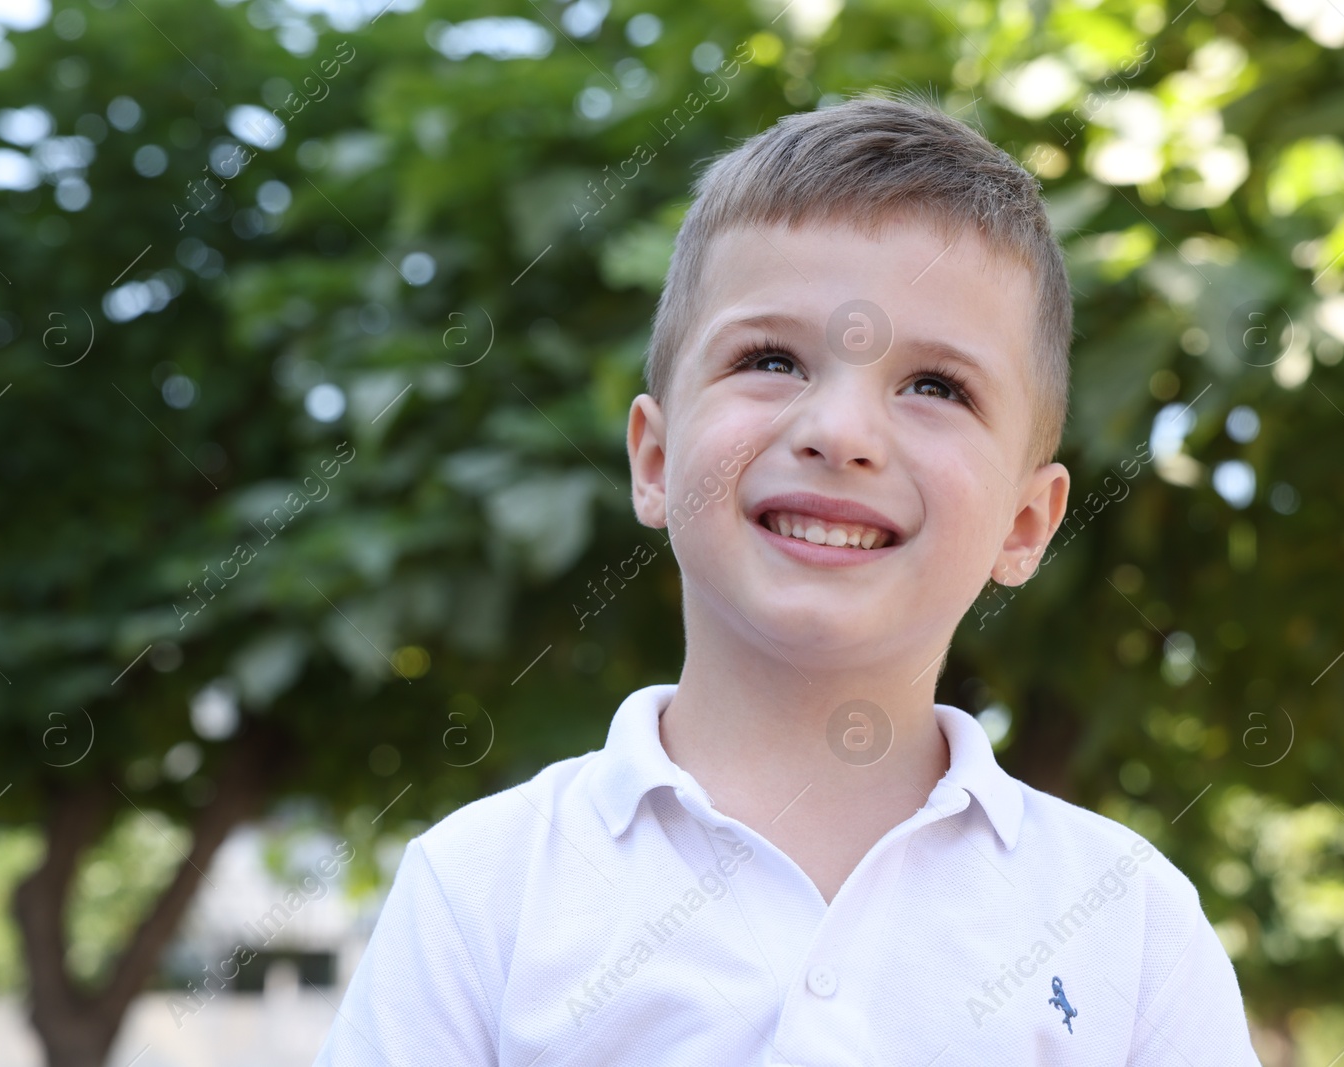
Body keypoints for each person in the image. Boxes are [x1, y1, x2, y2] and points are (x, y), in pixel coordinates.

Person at [314, 88, 1262, 1066]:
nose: (840, 431)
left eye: (936, 386)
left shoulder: (1128, 921)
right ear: (653, 459)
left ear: (1024, 522)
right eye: (770, 358)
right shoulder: (481, 889)